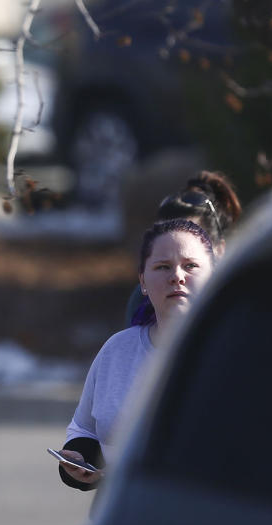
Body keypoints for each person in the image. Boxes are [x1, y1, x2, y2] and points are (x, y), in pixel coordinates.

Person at [57, 219, 215, 490]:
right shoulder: (117, 350)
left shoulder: (238, 351)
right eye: (163, 266)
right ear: (143, 281)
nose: (177, 276)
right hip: (128, 522)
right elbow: (84, 429)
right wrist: (81, 460)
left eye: (190, 266)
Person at [125, 170, 240, 326]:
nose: (176, 275)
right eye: (166, 243)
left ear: (219, 250)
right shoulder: (140, 301)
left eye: (191, 263)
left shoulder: (241, 308)